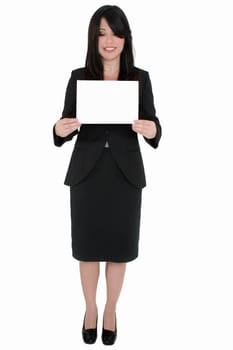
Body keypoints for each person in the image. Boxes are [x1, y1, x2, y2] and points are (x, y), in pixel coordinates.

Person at [53, 5, 161, 346]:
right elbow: (63, 126)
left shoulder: (140, 77)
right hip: (87, 173)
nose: (109, 41)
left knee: (118, 249)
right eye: (101, 34)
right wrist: (59, 128)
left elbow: (155, 127)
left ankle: (111, 310)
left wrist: (152, 129)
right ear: (93, 39)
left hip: (125, 175)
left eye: (115, 33)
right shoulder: (78, 76)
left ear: (126, 38)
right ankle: (90, 309)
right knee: (87, 249)